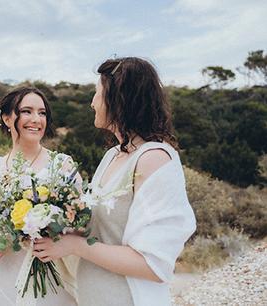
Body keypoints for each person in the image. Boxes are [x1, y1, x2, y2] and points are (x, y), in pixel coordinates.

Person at [32, 57, 196, 306]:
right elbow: (101, 231)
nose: (92, 103)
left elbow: (153, 264)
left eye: (97, 94)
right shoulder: (113, 156)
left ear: (118, 99)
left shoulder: (154, 159)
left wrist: (76, 246)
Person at [0, 86, 79, 306]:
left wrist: (12, 238)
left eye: (42, 113)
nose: (36, 119)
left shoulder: (61, 165)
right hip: (2, 278)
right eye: (27, 111)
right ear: (6, 118)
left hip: (49, 279)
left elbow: (77, 222)